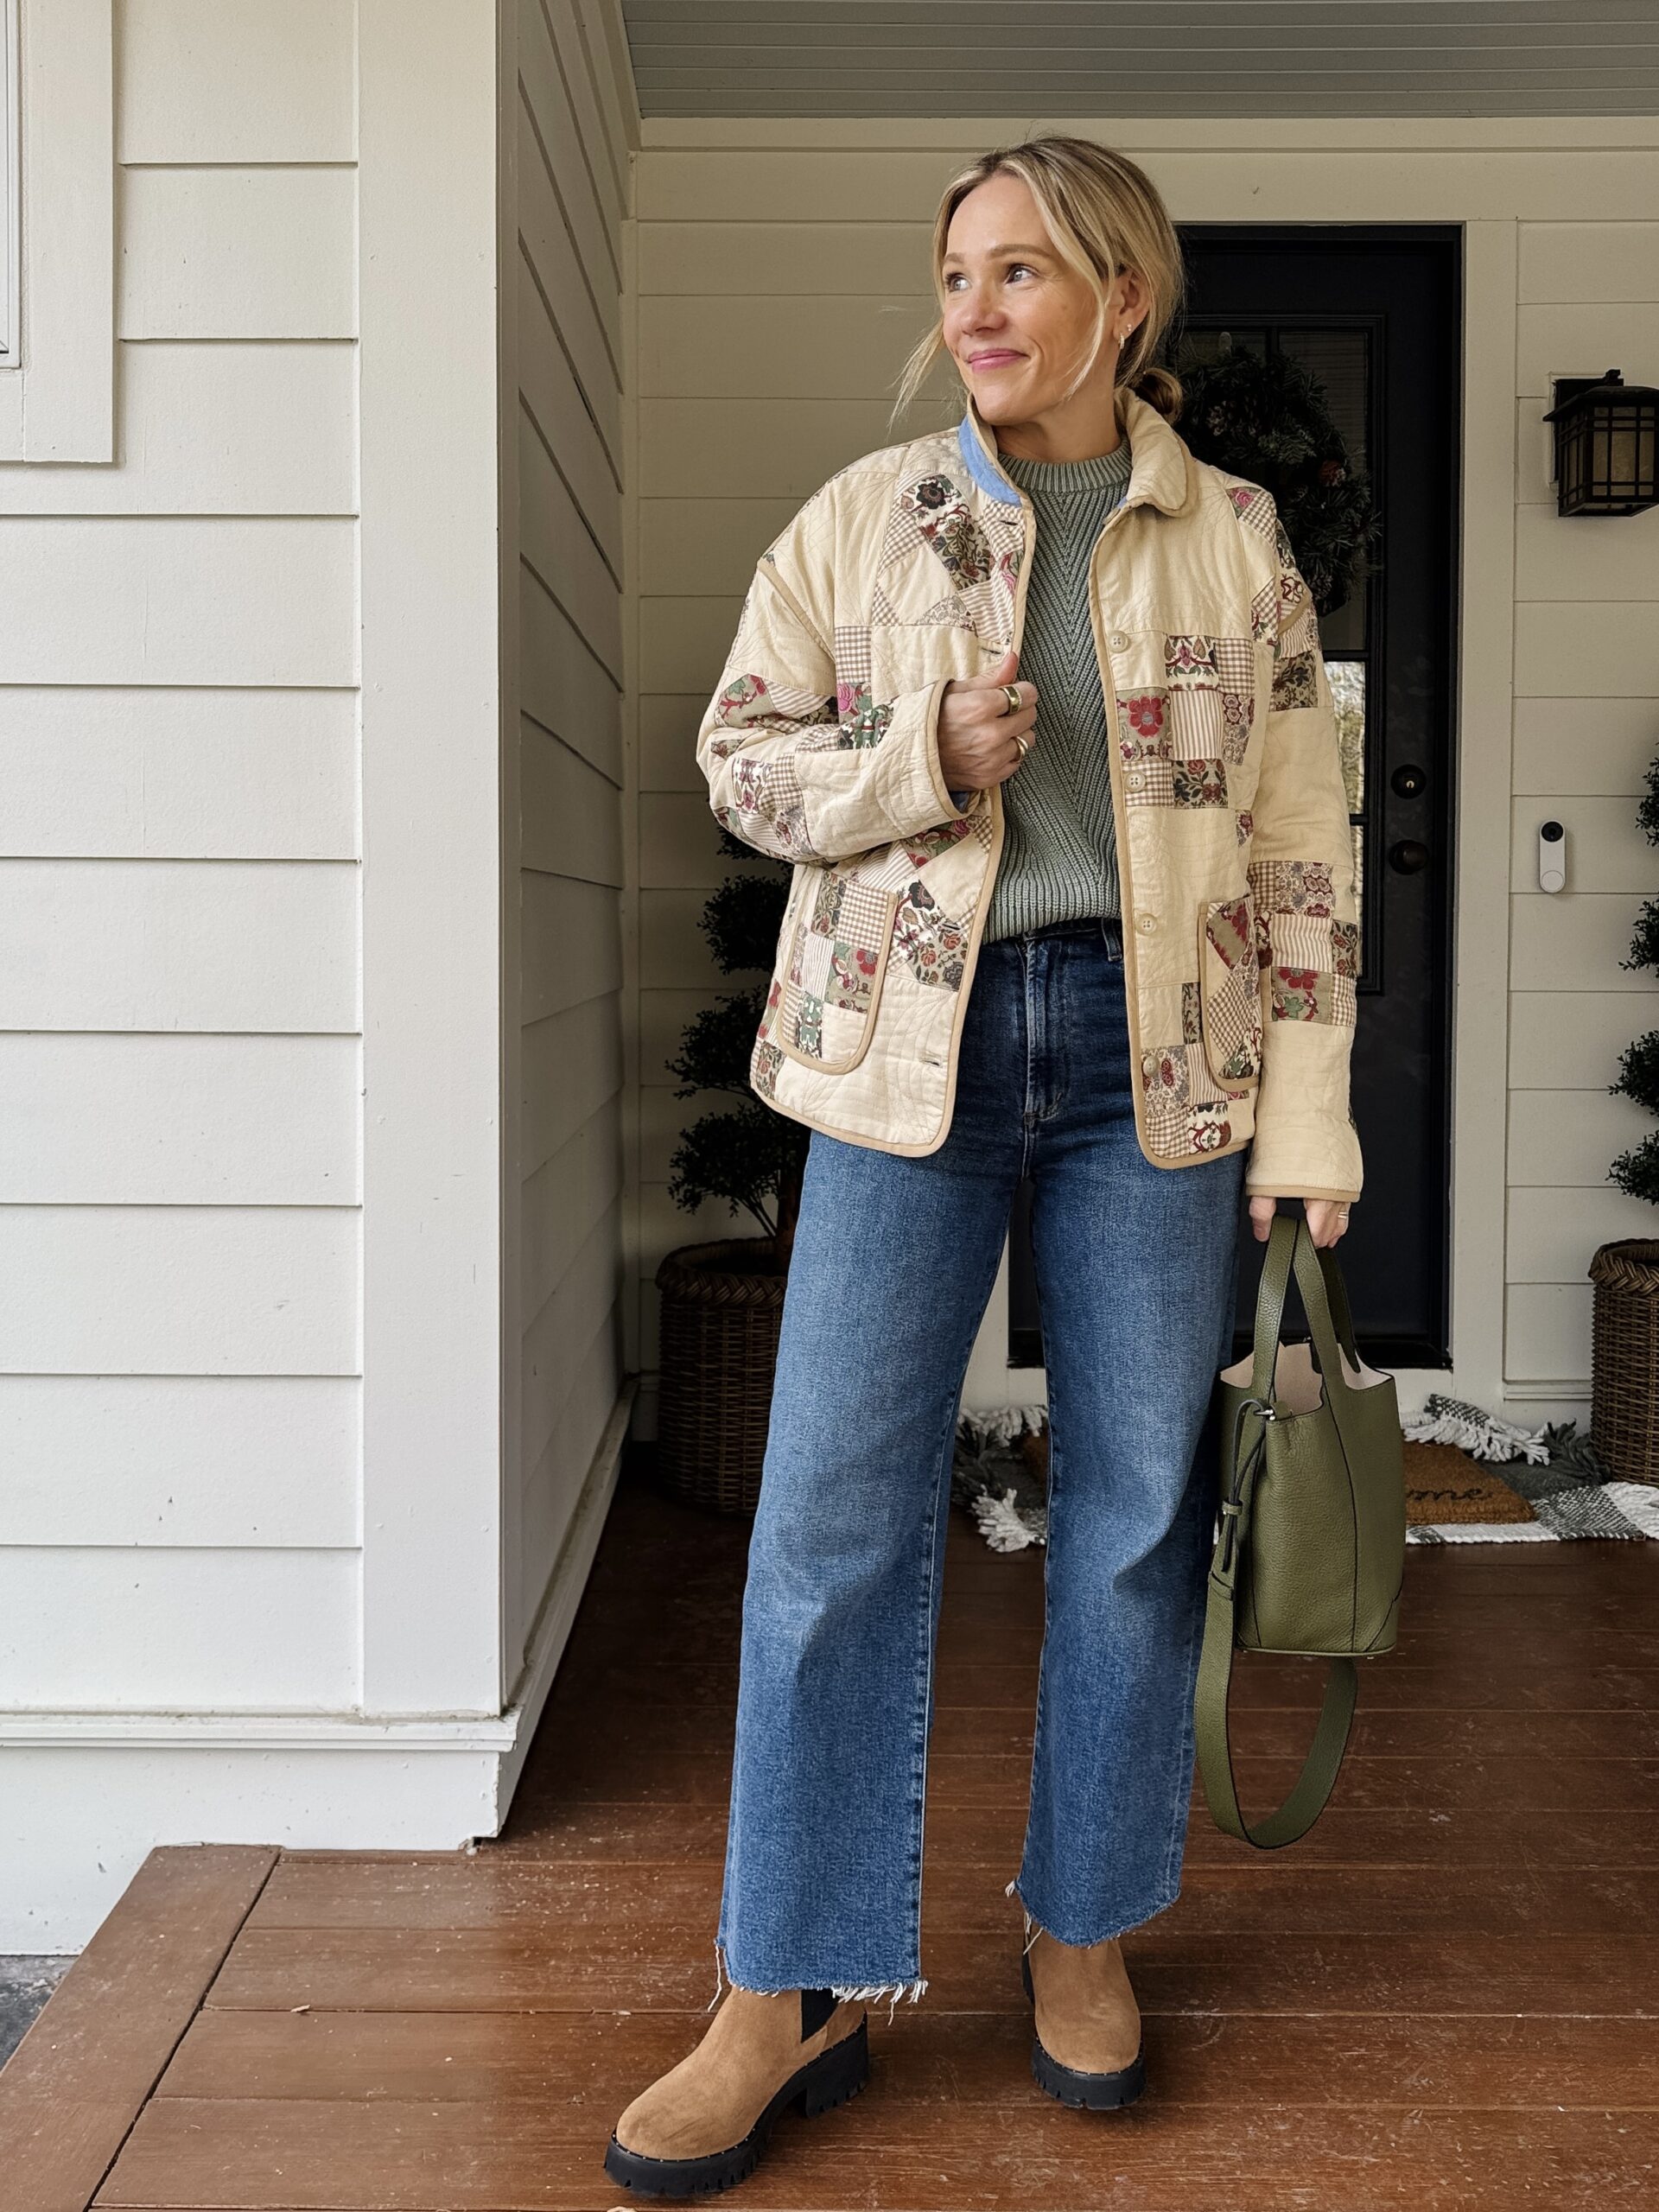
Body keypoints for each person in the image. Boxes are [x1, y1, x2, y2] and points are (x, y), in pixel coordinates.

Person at [604, 133, 1361, 2199]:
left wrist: (1309, 1116)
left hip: (1154, 1063)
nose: (977, 307)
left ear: (1126, 296)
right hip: (901, 1059)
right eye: (957, 273)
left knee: (1134, 1516)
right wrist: (912, 763)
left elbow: (1302, 847)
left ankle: (1083, 1922)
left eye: (1021, 270)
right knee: (827, 1517)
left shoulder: (1238, 541)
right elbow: (740, 757)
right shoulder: (868, 517)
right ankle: (790, 1979)